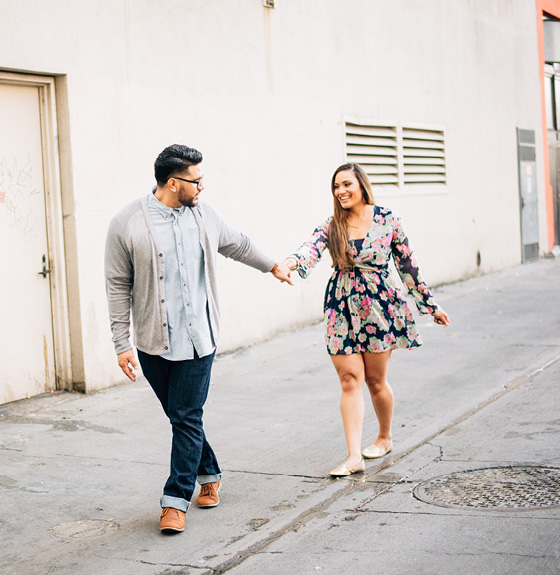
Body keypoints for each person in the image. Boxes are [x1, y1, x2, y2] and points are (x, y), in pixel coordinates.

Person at [105, 144, 293, 533]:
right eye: (196, 180)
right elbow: (116, 284)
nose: (202, 187)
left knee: (187, 416)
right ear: (174, 183)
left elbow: (238, 244)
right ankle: (210, 472)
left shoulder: (204, 216)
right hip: (153, 342)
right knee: (181, 417)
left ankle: (175, 500)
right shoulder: (127, 223)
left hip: (198, 339)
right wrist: (121, 343)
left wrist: (272, 265)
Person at [281, 163, 450, 477]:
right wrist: (290, 262)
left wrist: (430, 305)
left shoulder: (387, 220)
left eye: (346, 184)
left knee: (375, 381)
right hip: (340, 307)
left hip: (377, 307)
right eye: (336, 186)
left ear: (361, 185)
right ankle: (352, 456)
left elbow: (408, 266)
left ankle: (385, 437)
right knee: (349, 381)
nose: (341, 191)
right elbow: (311, 248)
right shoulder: (333, 225)